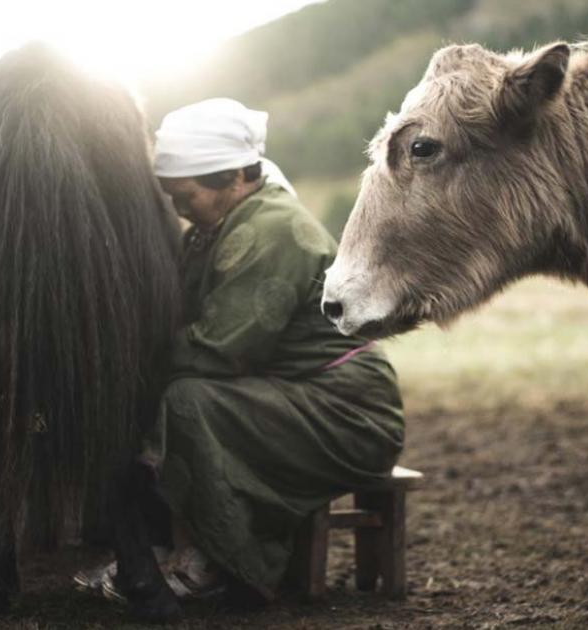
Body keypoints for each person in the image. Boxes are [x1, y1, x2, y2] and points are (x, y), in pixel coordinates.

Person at [79, 98, 404, 604]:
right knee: (176, 395)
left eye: (184, 196)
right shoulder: (222, 225)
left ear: (233, 176)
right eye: (169, 197)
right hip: (294, 397)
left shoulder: (270, 230)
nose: (177, 210)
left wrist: (124, 363)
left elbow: (221, 348)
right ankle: (165, 550)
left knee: (188, 399)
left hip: (348, 416)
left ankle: (212, 561)